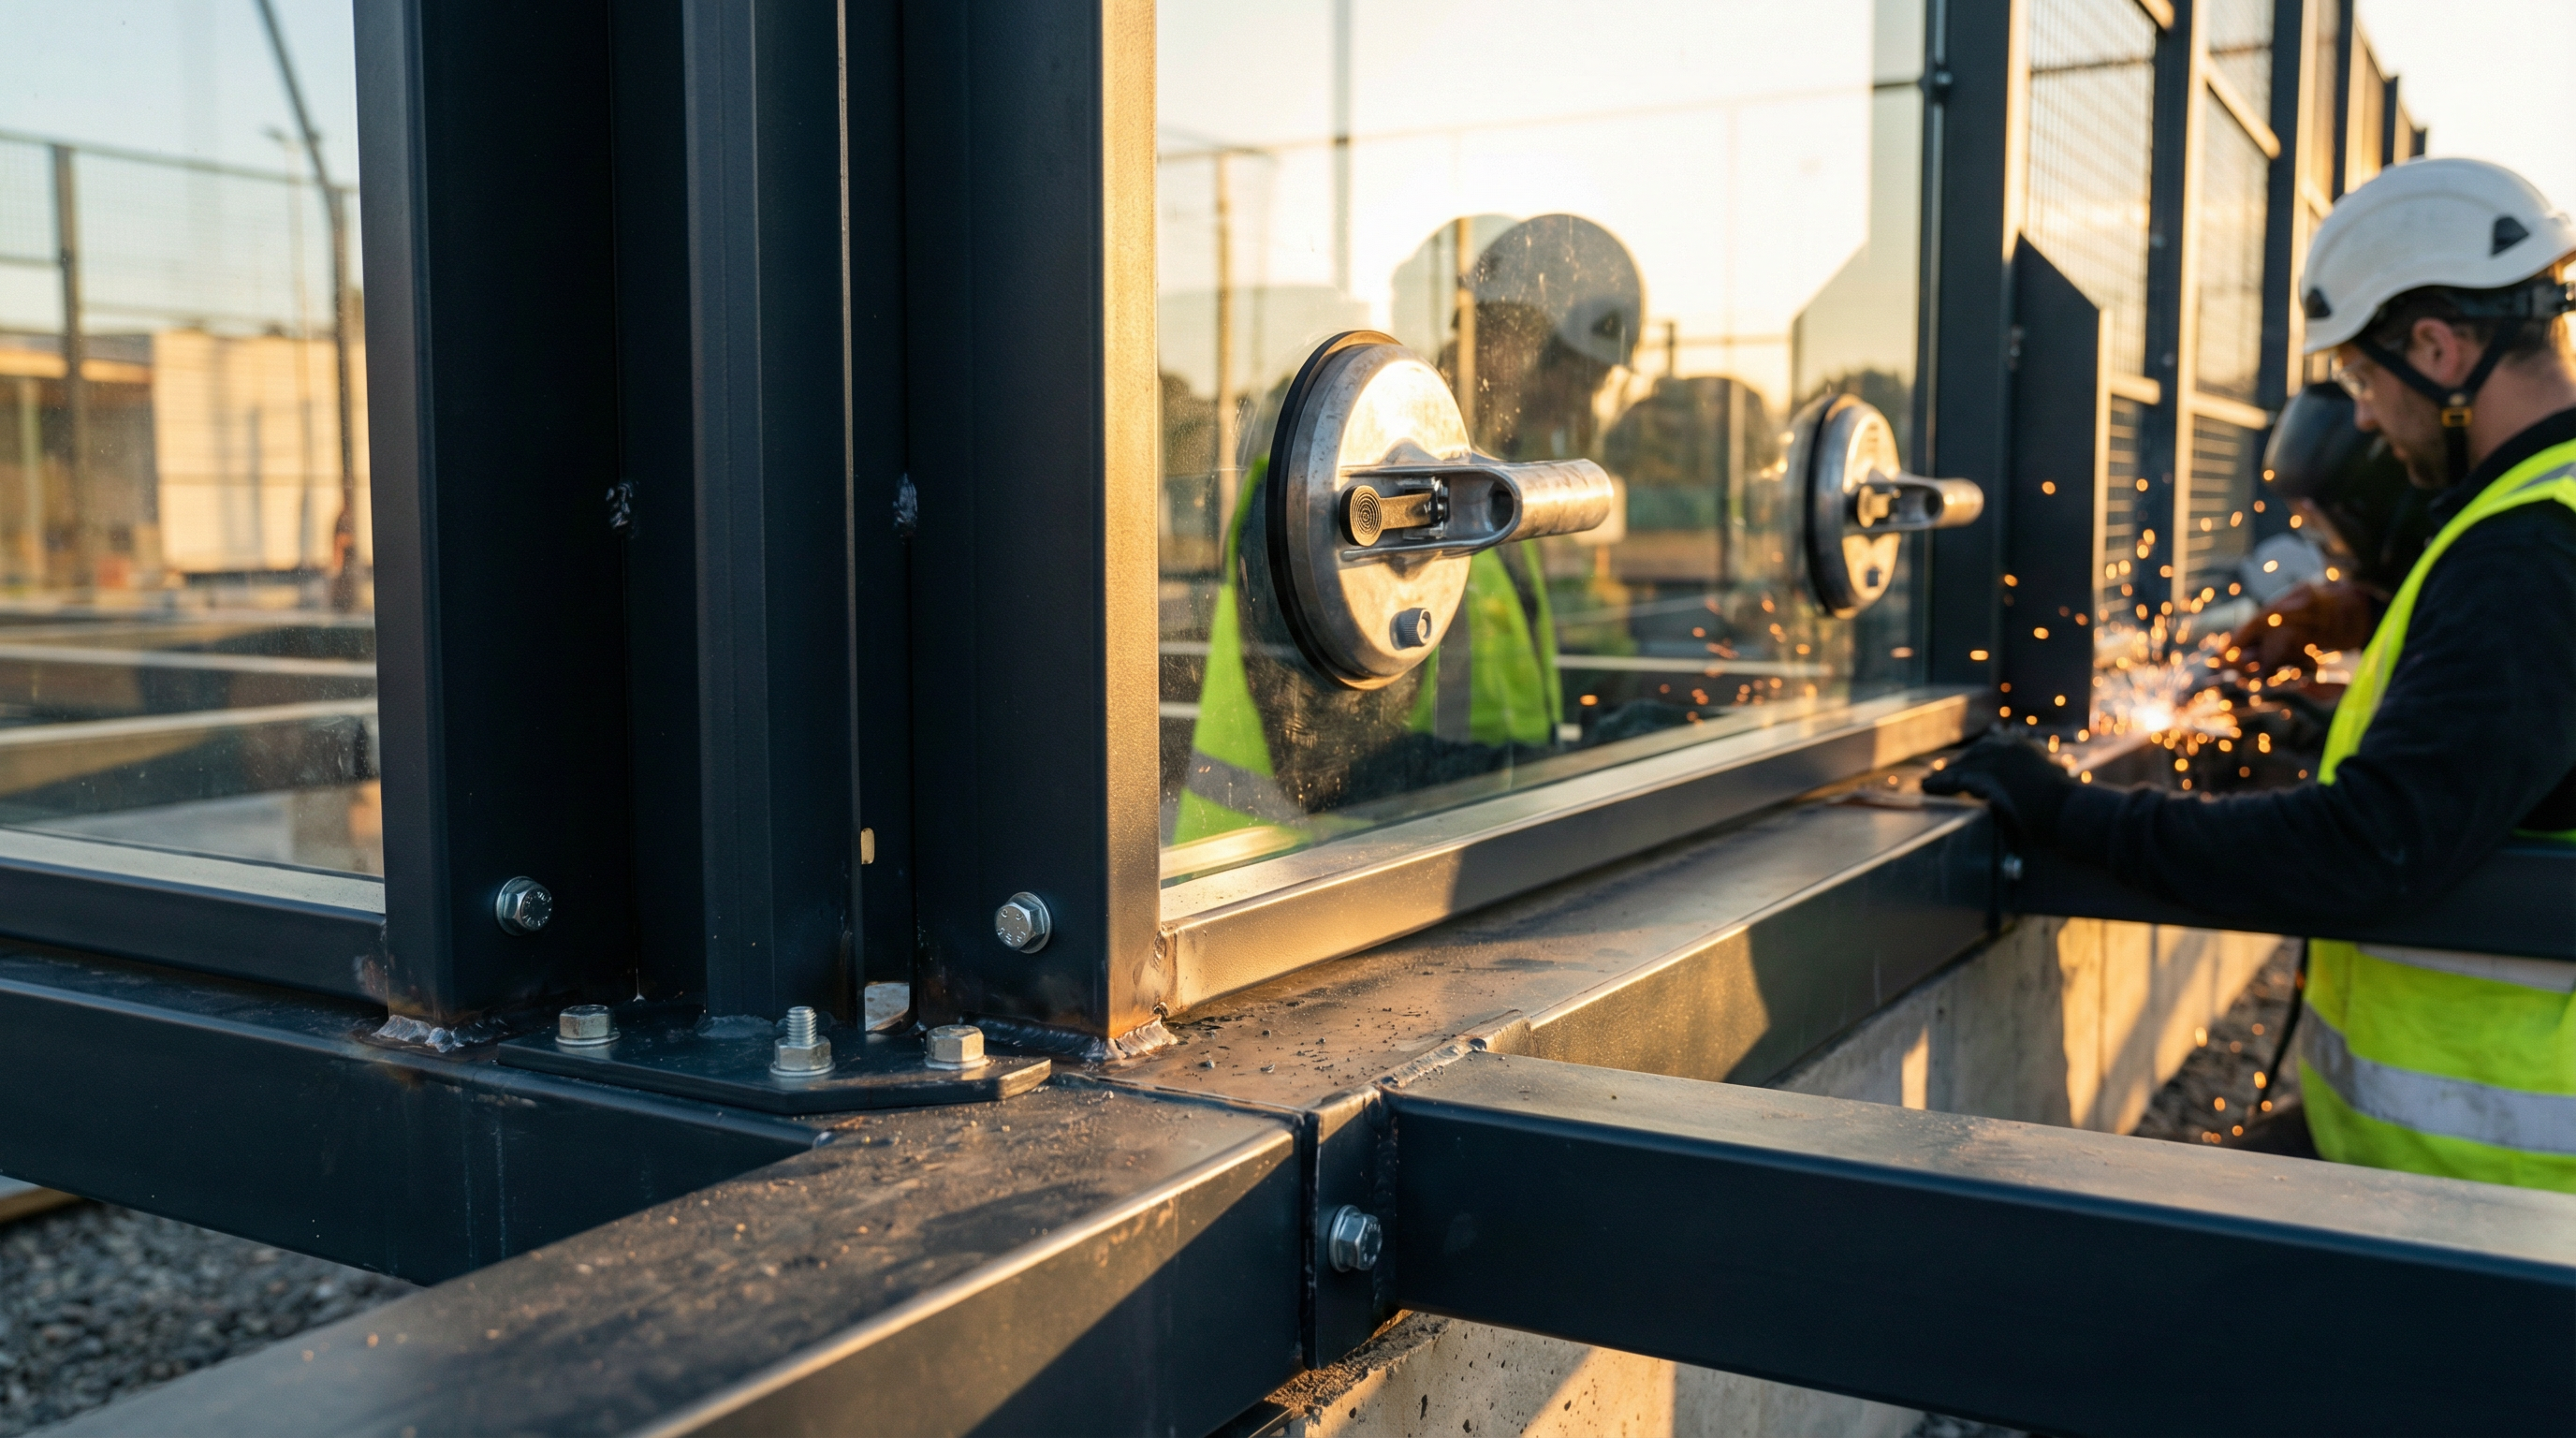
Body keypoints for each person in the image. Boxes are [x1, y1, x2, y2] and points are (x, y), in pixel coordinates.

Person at [1926, 156, 2576, 1191]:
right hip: (2446, 1158)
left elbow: (2368, 846)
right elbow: (2506, 762)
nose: (2361, 417)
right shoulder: (2537, 515)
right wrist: (2312, 725)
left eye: (2364, 379)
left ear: (2438, 350)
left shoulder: (2527, 554)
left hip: (2496, 1194)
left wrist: (2070, 814)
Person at [1172, 215, 1642, 847]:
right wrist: (1581, 764)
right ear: (1512, 342)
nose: (1580, 410)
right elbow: (1334, 769)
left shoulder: (1494, 516)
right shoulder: (1298, 506)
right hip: (1279, 902)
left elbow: (1513, 705)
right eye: (1582, 381)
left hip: (1453, 873)